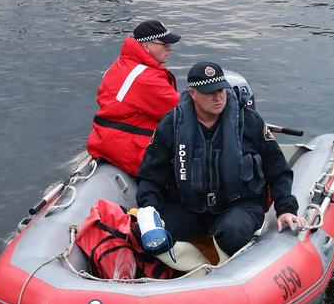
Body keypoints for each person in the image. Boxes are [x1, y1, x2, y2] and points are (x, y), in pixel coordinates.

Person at [136, 60, 306, 261]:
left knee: (232, 234)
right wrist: (150, 213)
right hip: (190, 207)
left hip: (239, 205)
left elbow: (278, 170)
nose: (217, 97)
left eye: (221, 90)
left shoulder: (249, 122)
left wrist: (286, 208)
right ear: (193, 93)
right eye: (209, 92)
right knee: (144, 236)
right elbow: (149, 178)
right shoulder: (171, 125)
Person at [86, 19, 181, 176]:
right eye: (164, 44)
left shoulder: (122, 63)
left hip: (106, 139)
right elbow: (181, 111)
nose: (169, 48)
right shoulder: (146, 79)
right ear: (146, 46)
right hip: (130, 149)